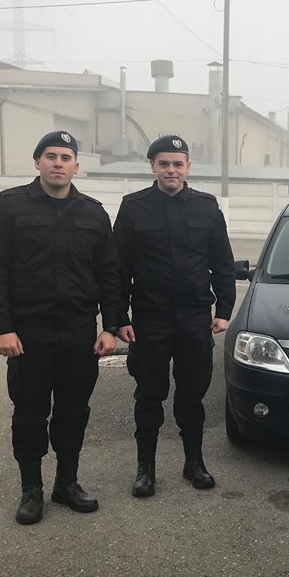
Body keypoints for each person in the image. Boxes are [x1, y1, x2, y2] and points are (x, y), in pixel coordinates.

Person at [0, 131, 120, 525]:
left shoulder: (93, 213)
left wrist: (110, 326)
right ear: (38, 162)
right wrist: (2, 327)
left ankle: (66, 484)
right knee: (29, 414)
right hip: (29, 334)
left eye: (66, 157)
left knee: (73, 413)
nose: (58, 163)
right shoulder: (9, 207)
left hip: (78, 333)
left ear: (77, 166)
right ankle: (31, 490)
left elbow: (109, 273)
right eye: (51, 156)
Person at [114, 135, 236, 498]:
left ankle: (194, 463)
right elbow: (118, 268)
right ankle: (145, 470)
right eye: (164, 163)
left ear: (188, 167)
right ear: (152, 166)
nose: (171, 170)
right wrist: (119, 317)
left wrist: (224, 310)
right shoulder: (133, 207)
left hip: (194, 318)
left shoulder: (206, 207)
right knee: (149, 395)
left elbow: (222, 261)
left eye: (178, 164)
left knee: (192, 395)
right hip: (149, 319)